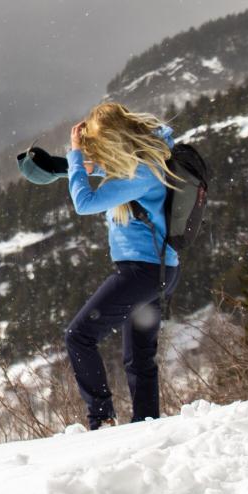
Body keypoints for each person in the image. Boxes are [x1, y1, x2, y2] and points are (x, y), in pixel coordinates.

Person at [64, 102, 180, 430]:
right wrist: (74, 164)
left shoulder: (140, 174)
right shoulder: (150, 160)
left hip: (141, 272)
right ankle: (146, 423)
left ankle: (101, 417)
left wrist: (75, 157)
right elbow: (113, 172)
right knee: (139, 357)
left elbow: (84, 203)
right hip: (160, 270)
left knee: (79, 336)